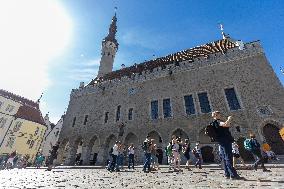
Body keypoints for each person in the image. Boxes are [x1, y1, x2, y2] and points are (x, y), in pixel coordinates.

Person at [211, 111, 241, 179]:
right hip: (225, 141)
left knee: (224, 158)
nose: (220, 115)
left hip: (221, 141)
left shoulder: (215, 123)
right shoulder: (217, 122)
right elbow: (225, 124)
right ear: (216, 115)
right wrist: (229, 119)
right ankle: (233, 175)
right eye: (219, 114)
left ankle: (227, 174)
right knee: (228, 157)